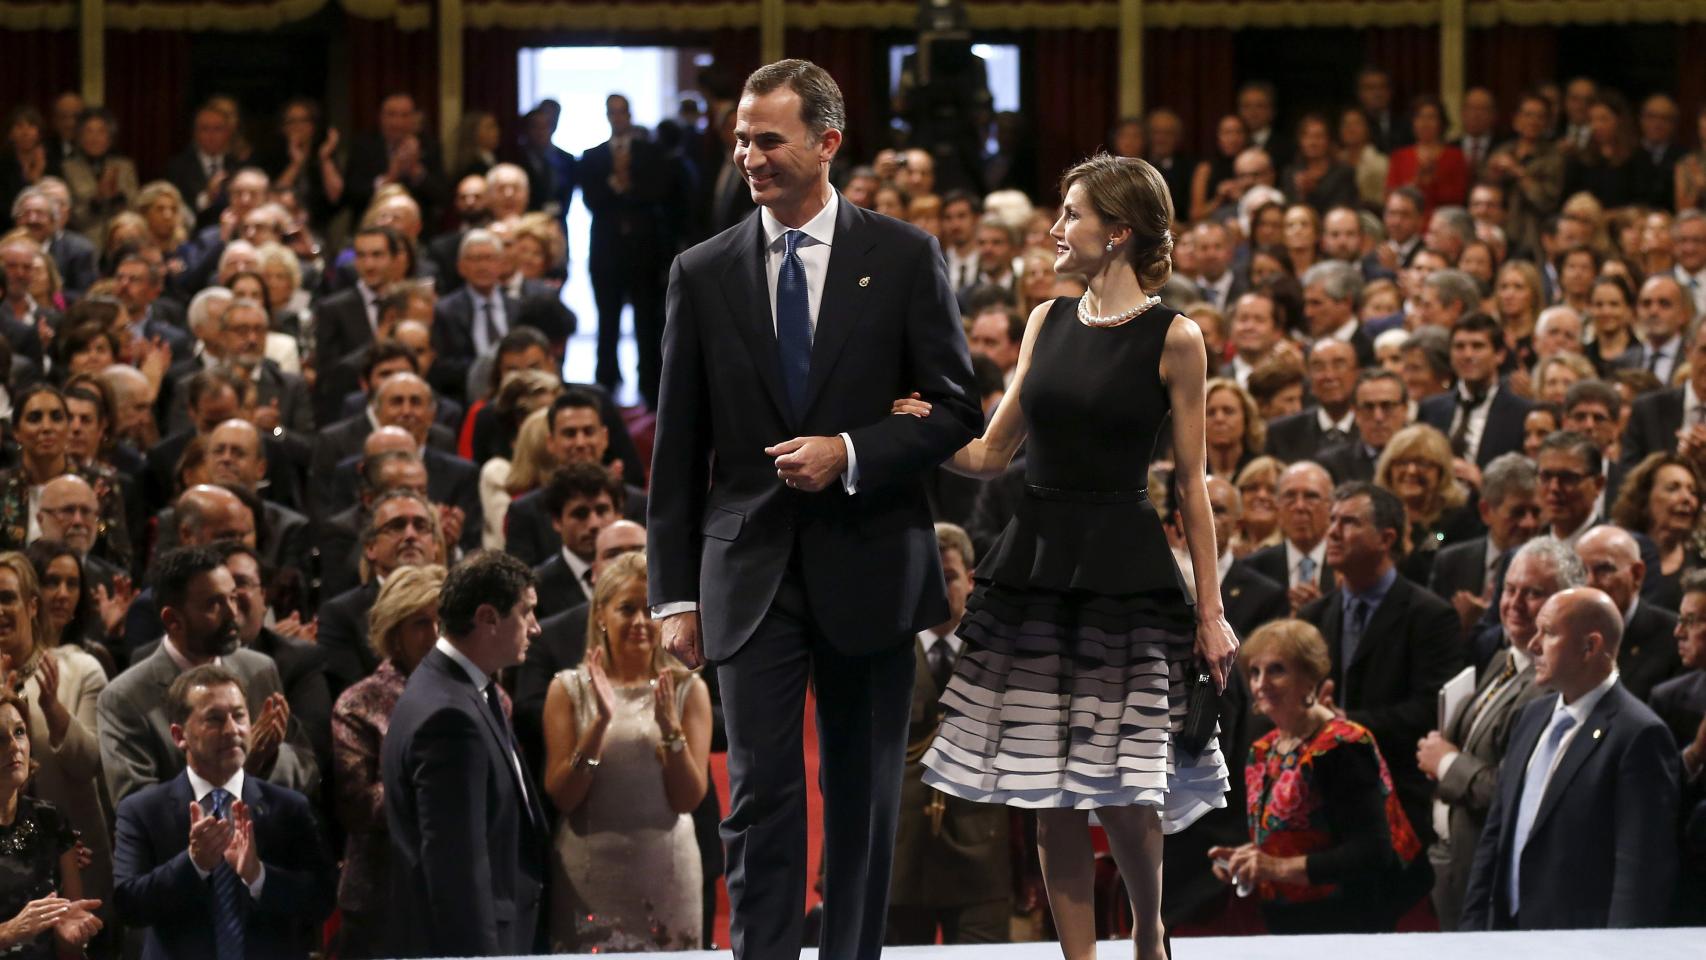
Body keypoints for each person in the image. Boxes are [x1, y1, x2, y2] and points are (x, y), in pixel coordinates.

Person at [648, 60, 982, 960]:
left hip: (871, 556)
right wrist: (672, 596)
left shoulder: (903, 255)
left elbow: (957, 408)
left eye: (769, 139)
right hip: (748, 567)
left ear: (827, 142)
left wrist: (852, 450)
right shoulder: (701, 271)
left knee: (864, 796)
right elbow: (677, 450)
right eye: (741, 139)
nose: (749, 156)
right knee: (760, 793)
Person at [902, 147, 1234, 960]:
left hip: (1123, 571)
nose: (1055, 228)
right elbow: (990, 454)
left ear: (1117, 231)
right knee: (1047, 790)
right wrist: (918, 434)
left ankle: (1148, 934)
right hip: (1037, 567)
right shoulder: (1046, 320)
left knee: (1123, 787)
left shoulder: (1176, 337)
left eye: (1072, 214)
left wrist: (1211, 613)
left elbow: (1192, 488)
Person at [1460, 587, 1682, 929]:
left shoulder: (1639, 735)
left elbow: (1639, 869)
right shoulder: (1529, 716)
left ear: (1590, 646)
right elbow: (1496, 835)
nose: (1533, 644)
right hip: (1504, 932)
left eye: (1548, 633)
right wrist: (1473, 931)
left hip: (1579, 941)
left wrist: (1621, 950)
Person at [1209, 619, 1429, 933]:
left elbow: (1371, 852)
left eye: (1276, 670)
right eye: (1255, 672)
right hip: (1286, 920)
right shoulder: (1263, 749)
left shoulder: (1342, 746)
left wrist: (1275, 868)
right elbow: (1294, 836)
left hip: (1346, 923)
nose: (1261, 683)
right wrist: (1249, 860)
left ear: (1310, 678)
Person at [381, 551, 547, 957]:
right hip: (479, 942)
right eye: (526, 612)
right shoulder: (449, 716)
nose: (536, 627)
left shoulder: (457, 687)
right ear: (488, 617)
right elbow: (457, 870)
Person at [541, 552, 710, 950]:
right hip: (588, 875)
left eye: (649, 610)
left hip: (667, 872)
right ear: (601, 614)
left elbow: (687, 799)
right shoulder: (567, 690)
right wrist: (599, 723)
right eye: (626, 609)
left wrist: (670, 732)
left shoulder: (687, 689)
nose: (639, 622)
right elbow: (564, 797)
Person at [111, 664, 332, 958]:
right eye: (214, 719)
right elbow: (128, 906)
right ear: (179, 735)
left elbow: (322, 900)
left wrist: (259, 875)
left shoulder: (289, 807)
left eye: (239, 716)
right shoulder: (143, 811)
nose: (232, 730)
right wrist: (193, 864)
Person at [1418, 536, 1583, 930]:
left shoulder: (1554, 686)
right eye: (1509, 589)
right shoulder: (1503, 658)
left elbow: (1516, 792)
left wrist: (1447, 763)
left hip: (1492, 875)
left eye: (1534, 593)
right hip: (1454, 862)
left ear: (1565, 602)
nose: (1514, 604)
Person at [1298, 482, 1462, 844]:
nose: (1332, 532)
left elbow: (1430, 711)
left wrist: (1345, 723)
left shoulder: (1431, 616)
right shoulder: (1313, 616)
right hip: (1321, 798)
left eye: (1349, 522)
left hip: (1398, 799)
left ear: (1387, 538)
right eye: (1332, 520)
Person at [96, 546, 315, 806]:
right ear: (173, 620)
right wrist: (243, 771)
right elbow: (140, 810)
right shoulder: (124, 699)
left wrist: (269, 760)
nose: (233, 613)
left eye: (232, 598)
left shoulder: (259, 669)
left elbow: (307, 767)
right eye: (214, 604)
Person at [887, 524, 1012, 944]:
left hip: (981, 858)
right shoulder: (885, 656)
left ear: (971, 580)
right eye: (927, 577)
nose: (938, 590)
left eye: (949, 576)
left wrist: (1030, 868)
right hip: (901, 860)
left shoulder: (999, 655)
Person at [329, 564, 445, 959]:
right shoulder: (359, 703)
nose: (436, 635)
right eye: (421, 624)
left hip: (459, 891)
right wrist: (437, 783)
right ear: (394, 634)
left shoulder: (486, 695)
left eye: (443, 621)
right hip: (384, 899)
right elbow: (358, 805)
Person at [0, 690, 102, 958]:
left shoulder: (48, 820)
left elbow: (69, 952)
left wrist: (70, 938)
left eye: (19, 732)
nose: (15, 746)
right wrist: (8, 932)